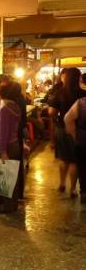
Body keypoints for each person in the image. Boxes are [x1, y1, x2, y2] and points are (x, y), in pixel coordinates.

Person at [48, 67, 86, 198]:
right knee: (75, 160)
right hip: (78, 130)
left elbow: (51, 112)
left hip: (62, 128)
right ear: (78, 78)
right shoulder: (83, 94)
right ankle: (73, 189)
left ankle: (62, 184)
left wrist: (58, 119)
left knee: (64, 158)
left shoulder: (59, 93)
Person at [0, 83, 22, 212]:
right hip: (14, 144)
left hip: (7, 146)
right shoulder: (15, 106)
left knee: (5, 177)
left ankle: (7, 207)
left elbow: (4, 131)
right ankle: (12, 205)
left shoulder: (5, 109)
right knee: (11, 177)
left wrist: (3, 151)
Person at [64, 93, 86, 203]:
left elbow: (67, 118)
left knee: (82, 167)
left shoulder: (81, 102)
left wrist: (74, 135)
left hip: (82, 140)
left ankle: (84, 193)